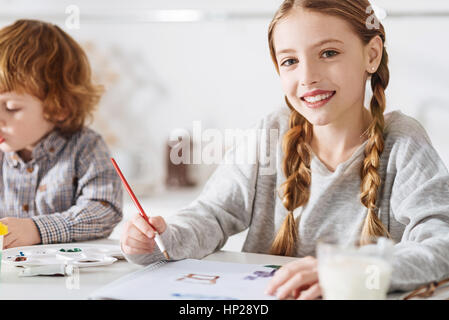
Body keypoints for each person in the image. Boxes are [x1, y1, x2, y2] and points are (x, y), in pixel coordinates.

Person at [121, 0, 449, 299]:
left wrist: (346, 272)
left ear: (372, 54)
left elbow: (442, 245)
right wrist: (163, 240)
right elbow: (213, 215)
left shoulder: (403, 142)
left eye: (329, 53)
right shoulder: (270, 134)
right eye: (290, 61)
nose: (308, 76)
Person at [0, 19, 123, 248]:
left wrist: (38, 230)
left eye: (11, 108)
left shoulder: (86, 147)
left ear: (59, 108)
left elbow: (105, 210)